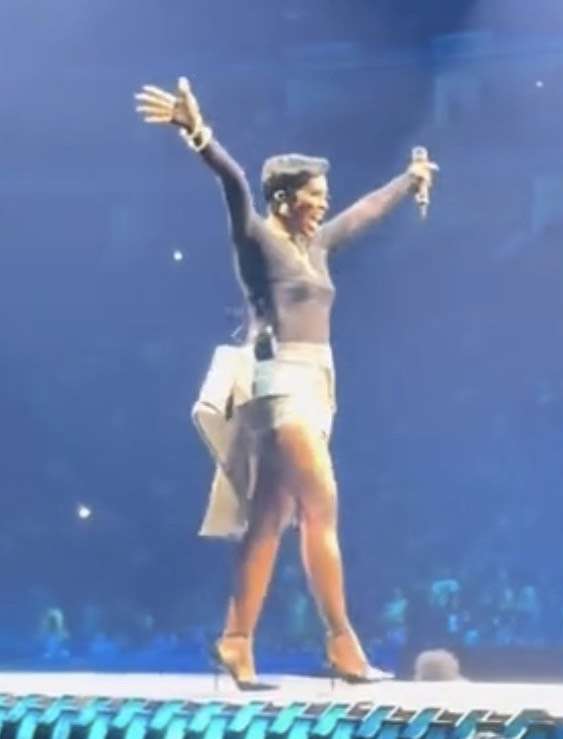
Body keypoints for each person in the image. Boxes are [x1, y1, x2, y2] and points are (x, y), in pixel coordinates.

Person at [134, 77, 438, 690]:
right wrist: (198, 133)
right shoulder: (257, 239)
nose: (323, 205)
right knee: (321, 507)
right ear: (283, 198)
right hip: (279, 388)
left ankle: (236, 640)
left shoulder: (314, 246)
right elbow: (232, 183)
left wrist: (409, 181)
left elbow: (363, 215)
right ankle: (343, 643)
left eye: (324, 196)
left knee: (270, 516)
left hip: (317, 388)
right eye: (313, 196)